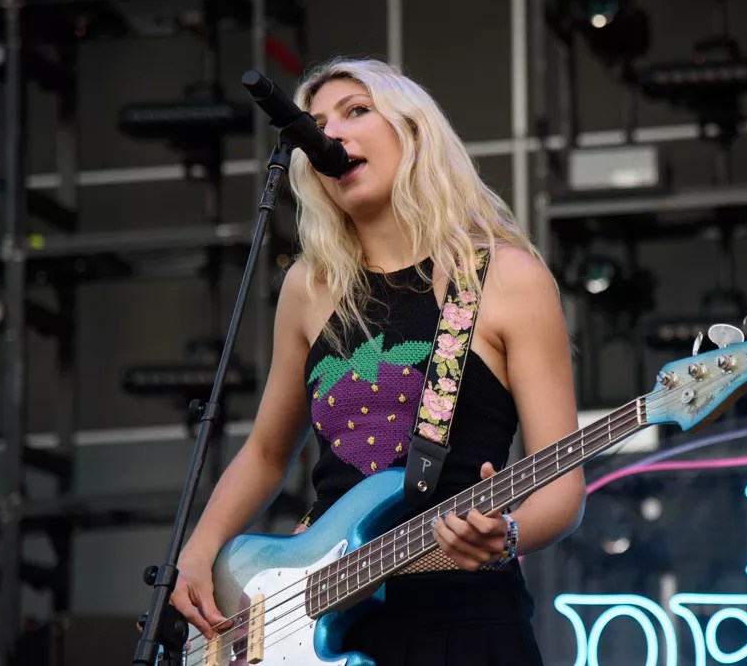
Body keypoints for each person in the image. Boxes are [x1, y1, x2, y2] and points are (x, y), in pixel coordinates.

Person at [170, 57, 585, 665]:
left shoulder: (504, 278)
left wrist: (508, 534)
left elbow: (564, 484)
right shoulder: (309, 287)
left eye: (356, 111)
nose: (330, 134)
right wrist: (197, 552)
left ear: (412, 131)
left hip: (462, 619)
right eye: (315, 126)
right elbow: (265, 453)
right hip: (325, 621)